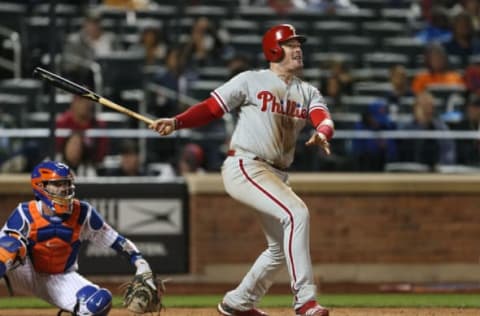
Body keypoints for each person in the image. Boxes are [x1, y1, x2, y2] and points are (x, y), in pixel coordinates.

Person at [150, 24, 332, 316]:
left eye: (299, 43)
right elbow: (211, 108)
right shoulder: (251, 80)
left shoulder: (307, 91)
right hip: (246, 165)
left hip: (276, 174)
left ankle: (238, 302)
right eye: (290, 43)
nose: (298, 48)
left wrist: (323, 133)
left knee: (278, 250)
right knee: (297, 214)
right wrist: (176, 122)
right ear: (274, 49)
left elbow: (323, 118)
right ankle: (305, 300)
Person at [0, 160, 156, 315]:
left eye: (67, 183)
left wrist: (140, 261)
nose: (64, 189)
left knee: (99, 303)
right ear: (41, 186)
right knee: (9, 246)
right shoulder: (25, 213)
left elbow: (116, 240)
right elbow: (4, 245)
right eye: (58, 184)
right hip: (25, 272)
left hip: (59, 277)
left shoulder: (83, 213)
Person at [56, 94, 109, 166]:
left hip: (90, 167)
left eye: (88, 100)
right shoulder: (61, 123)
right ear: (73, 102)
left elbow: (100, 156)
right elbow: (57, 151)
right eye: (81, 99)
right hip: (63, 164)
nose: (85, 103)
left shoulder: (99, 125)